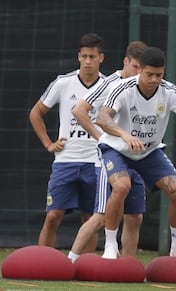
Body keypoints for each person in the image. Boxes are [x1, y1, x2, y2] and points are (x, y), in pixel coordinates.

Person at [96, 46, 176, 262]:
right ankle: (110, 245)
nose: (154, 79)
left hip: (148, 152)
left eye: (159, 75)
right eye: (149, 74)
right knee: (122, 186)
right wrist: (123, 135)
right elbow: (102, 118)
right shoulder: (123, 89)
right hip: (117, 148)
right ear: (140, 70)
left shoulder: (169, 91)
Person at [67, 41, 147, 262]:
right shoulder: (110, 83)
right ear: (126, 62)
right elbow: (79, 110)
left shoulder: (145, 86)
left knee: (134, 217)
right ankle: (70, 261)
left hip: (137, 158)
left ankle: (129, 267)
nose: (138, 73)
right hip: (110, 158)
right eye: (135, 68)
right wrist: (102, 138)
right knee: (101, 216)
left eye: (143, 69)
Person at [29, 33, 105, 251]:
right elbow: (36, 112)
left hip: (96, 162)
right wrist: (48, 144)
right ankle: (43, 264)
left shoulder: (109, 86)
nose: (88, 61)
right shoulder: (64, 83)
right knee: (53, 215)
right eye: (84, 56)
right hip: (66, 161)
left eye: (92, 56)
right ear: (78, 57)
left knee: (89, 219)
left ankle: (85, 268)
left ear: (101, 57)